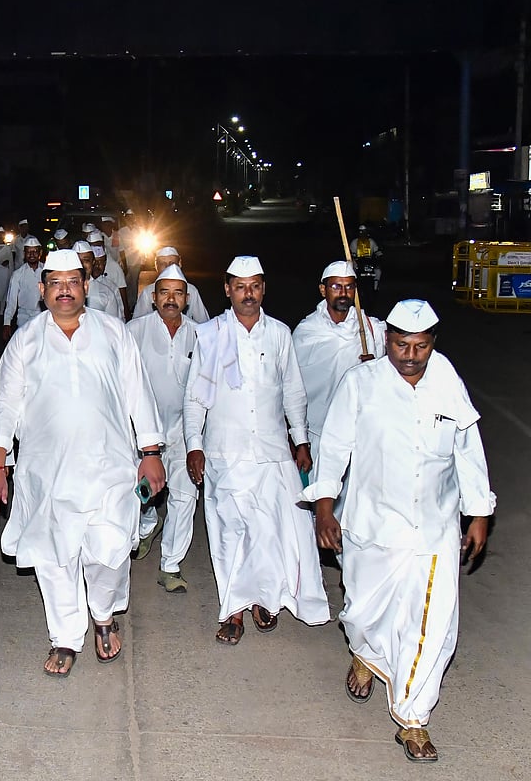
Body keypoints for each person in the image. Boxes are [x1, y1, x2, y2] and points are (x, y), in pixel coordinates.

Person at [304, 300, 494, 763]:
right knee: (363, 611)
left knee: (433, 622)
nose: (410, 355)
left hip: (433, 527)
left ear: (433, 342)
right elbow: (335, 446)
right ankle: (367, 652)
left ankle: (414, 718)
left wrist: (479, 512)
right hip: (373, 523)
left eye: (421, 346)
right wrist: (324, 506)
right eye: (401, 344)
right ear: (386, 337)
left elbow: (468, 449)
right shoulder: (362, 382)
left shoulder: (447, 379)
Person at [0, 248, 166, 678]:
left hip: (110, 467)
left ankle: (103, 614)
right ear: (42, 289)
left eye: (73, 282)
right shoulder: (25, 341)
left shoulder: (113, 332)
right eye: (55, 283)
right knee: (54, 558)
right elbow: (4, 406)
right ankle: (66, 636)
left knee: (110, 552)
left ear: (86, 286)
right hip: (47, 473)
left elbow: (138, 392)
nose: (64, 291)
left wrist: (151, 453)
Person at [183, 256, 330, 646]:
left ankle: (264, 597)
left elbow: (293, 391)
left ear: (263, 289)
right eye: (240, 286)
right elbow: (196, 396)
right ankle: (233, 609)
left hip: (271, 450)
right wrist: (194, 445)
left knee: (267, 531)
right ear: (227, 289)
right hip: (223, 451)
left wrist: (300, 440)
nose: (248, 294)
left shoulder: (279, 334)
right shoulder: (210, 334)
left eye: (255, 286)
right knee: (229, 531)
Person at [126, 264, 200, 592]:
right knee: (141, 494)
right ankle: (145, 526)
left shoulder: (201, 334)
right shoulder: (133, 331)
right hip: (143, 432)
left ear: (187, 298)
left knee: (185, 498)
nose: (171, 299)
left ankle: (170, 565)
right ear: (153, 298)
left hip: (185, 430)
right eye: (164, 292)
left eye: (178, 293)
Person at [292, 261, 384, 462]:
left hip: (358, 432)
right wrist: (298, 440)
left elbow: (396, 368)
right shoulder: (306, 332)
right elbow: (290, 386)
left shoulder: (372, 330)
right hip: (317, 431)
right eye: (336, 286)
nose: (343, 292)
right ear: (323, 290)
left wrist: (374, 365)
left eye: (349, 286)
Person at [131, 246, 209, 322]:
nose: (168, 267)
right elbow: (137, 323)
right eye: (162, 264)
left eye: (172, 263)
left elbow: (203, 323)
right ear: (156, 266)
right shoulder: (147, 292)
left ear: (180, 264)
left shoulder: (191, 290)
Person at [3, 236, 44, 340]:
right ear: (24, 254)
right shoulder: (18, 274)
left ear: (40, 253)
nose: (32, 254)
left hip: (43, 317)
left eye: (35, 251)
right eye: (28, 252)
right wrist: (7, 323)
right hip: (23, 318)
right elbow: (11, 300)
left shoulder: (47, 271)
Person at [74, 238, 122, 320]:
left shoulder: (106, 292)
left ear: (93, 262)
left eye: (86, 260)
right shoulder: (62, 292)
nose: (81, 265)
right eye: (77, 260)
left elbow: (114, 325)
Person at [349, 225, 383, 291]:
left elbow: (376, 250)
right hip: (358, 261)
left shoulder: (371, 241)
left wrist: (380, 256)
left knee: (378, 270)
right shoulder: (354, 242)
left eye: (364, 232)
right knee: (352, 269)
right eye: (361, 232)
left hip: (369, 261)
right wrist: (353, 257)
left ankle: (375, 287)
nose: (362, 234)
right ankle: (353, 287)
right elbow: (351, 252)